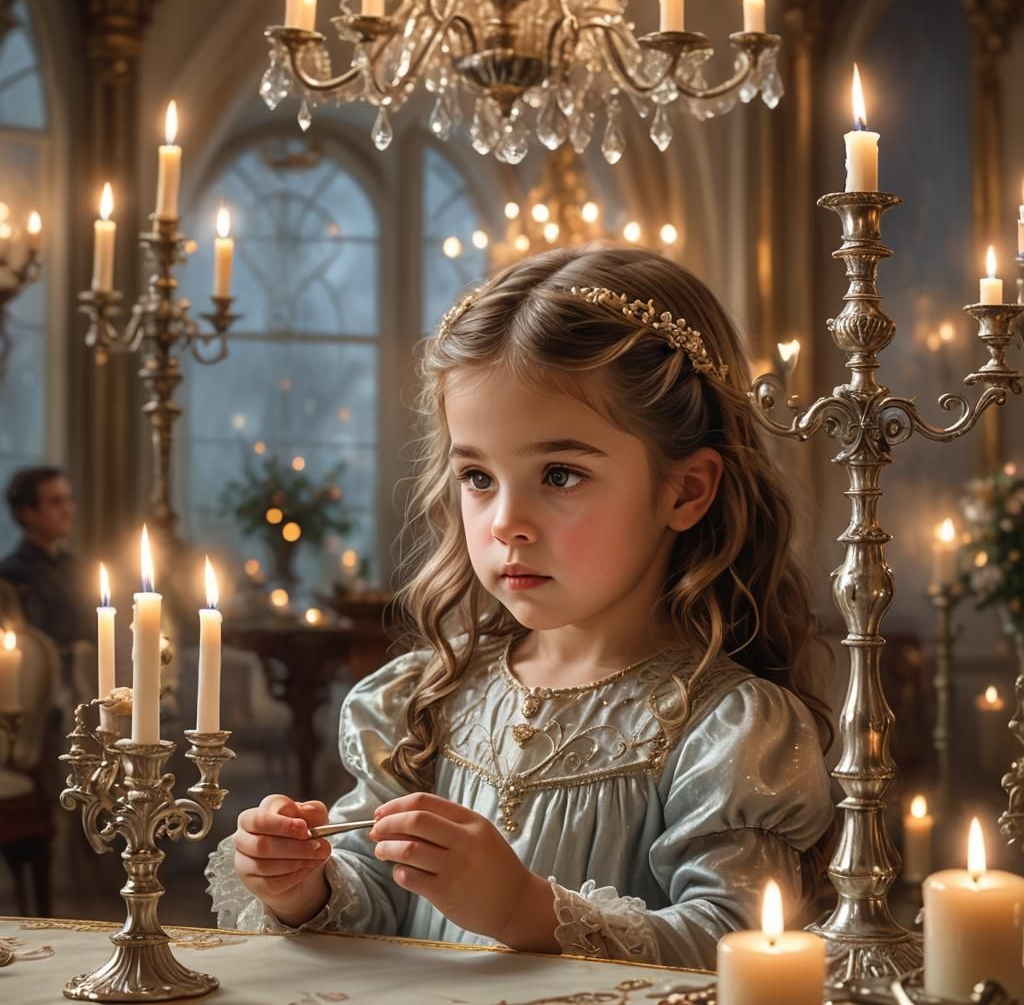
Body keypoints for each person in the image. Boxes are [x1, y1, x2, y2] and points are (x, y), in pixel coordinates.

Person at [206, 246, 835, 969]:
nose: (507, 522)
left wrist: (522, 909)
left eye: (560, 474)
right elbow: (375, 896)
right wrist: (305, 884)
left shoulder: (726, 730)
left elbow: (741, 945)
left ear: (686, 490)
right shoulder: (423, 698)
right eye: (477, 476)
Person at [0, 467, 94, 668]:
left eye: (69, 500)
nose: (68, 510)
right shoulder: (11, 576)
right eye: (56, 502)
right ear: (25, 512)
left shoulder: (76, 568)